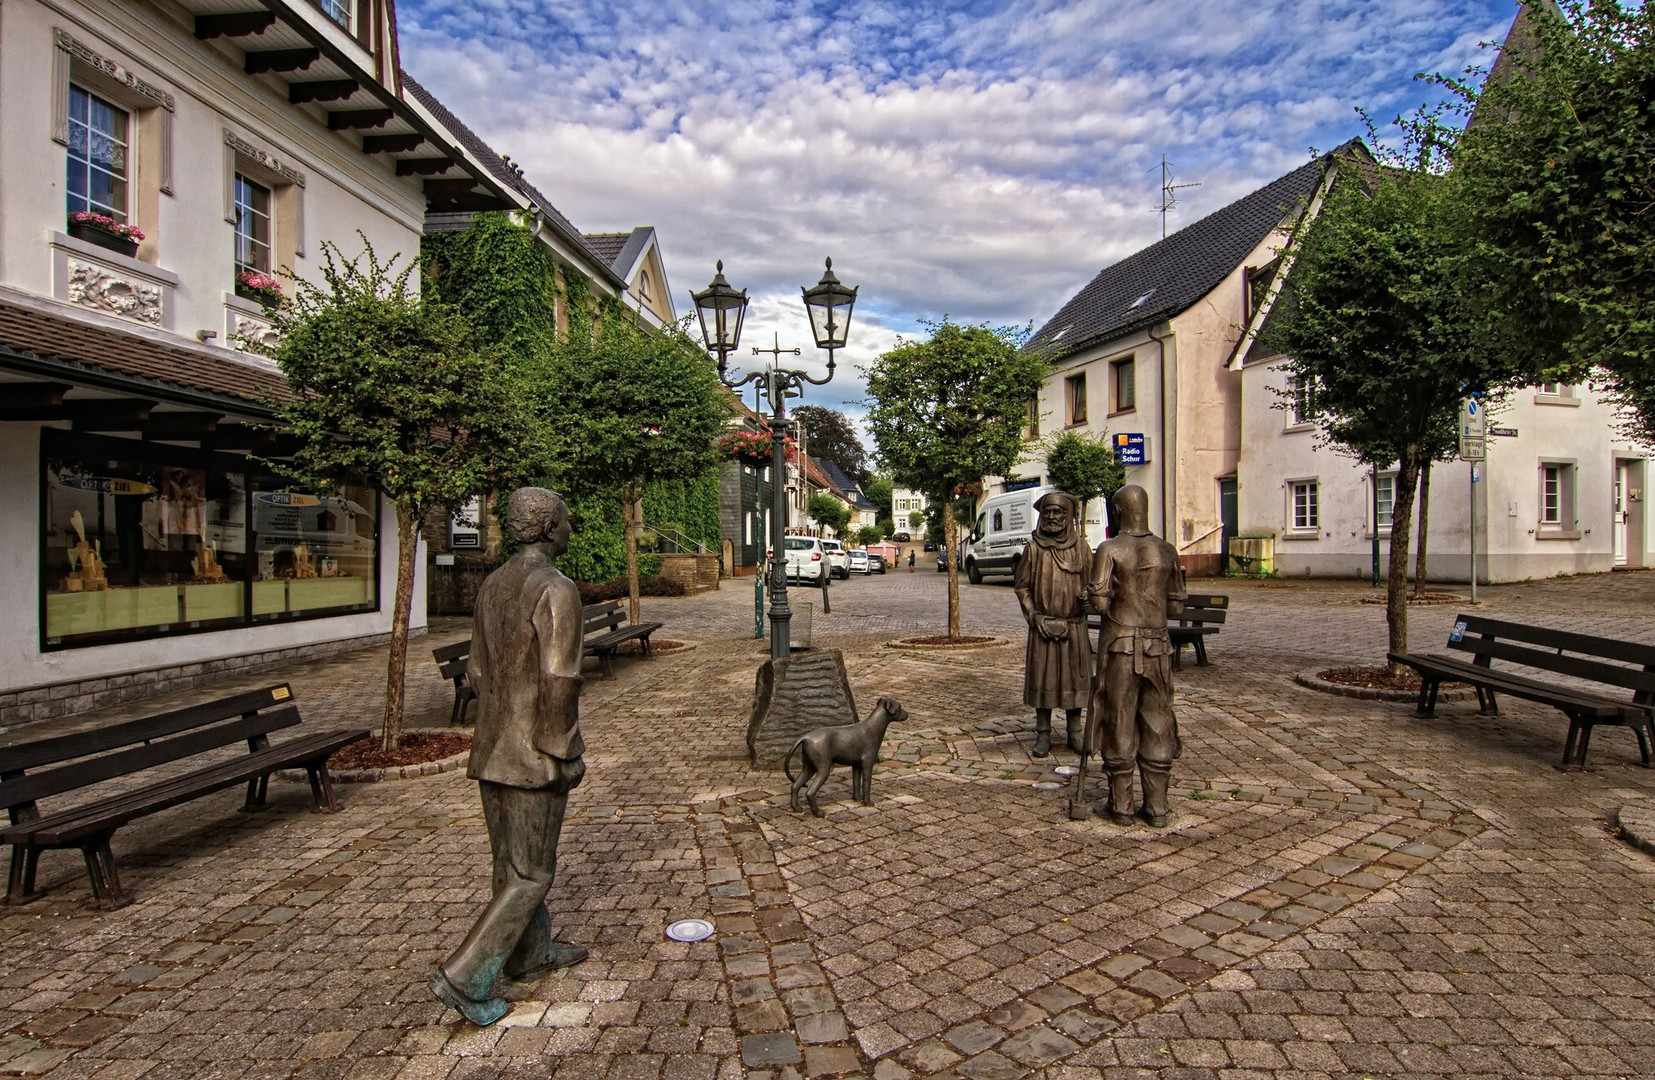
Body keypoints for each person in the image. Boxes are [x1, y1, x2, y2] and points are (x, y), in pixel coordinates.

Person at [432, 487, 588, 1026]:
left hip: (492, 747)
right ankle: (465, 976)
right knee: (531, 873)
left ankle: (531, 953)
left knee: (508, 863)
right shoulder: (556, 589)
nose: (570, 528)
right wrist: (562, 748)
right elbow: (560, 679)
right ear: (548, 529)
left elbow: (476, 672)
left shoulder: (493, 584)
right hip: (532, 752)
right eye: (566, 521)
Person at [1085, 484, 1186, 827]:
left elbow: (1098, 603)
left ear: (1118, 511)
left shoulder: (1110, 549)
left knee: (1119, 717)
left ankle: (1123, 806)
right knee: (1157, 721)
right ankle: (1157, 808)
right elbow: (1175, 604)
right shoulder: (1167, 550)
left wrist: (1107, 593)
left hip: (1121, 646)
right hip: (1158, 646)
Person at [1013, 491, 1091, 757]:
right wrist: (1034, 616)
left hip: (1073, 626)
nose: (1052, 517)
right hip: (1042, 625)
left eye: (1058, 512)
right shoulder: (1033, 549)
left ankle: (1075, 733)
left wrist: (1088, 599)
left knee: (1074, 682)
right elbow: (1022, 587)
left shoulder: (1081, 549)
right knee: (1043, 681)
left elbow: (1093, 585)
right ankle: (1043, 734)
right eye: (1047, 512)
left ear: (1067, 516)